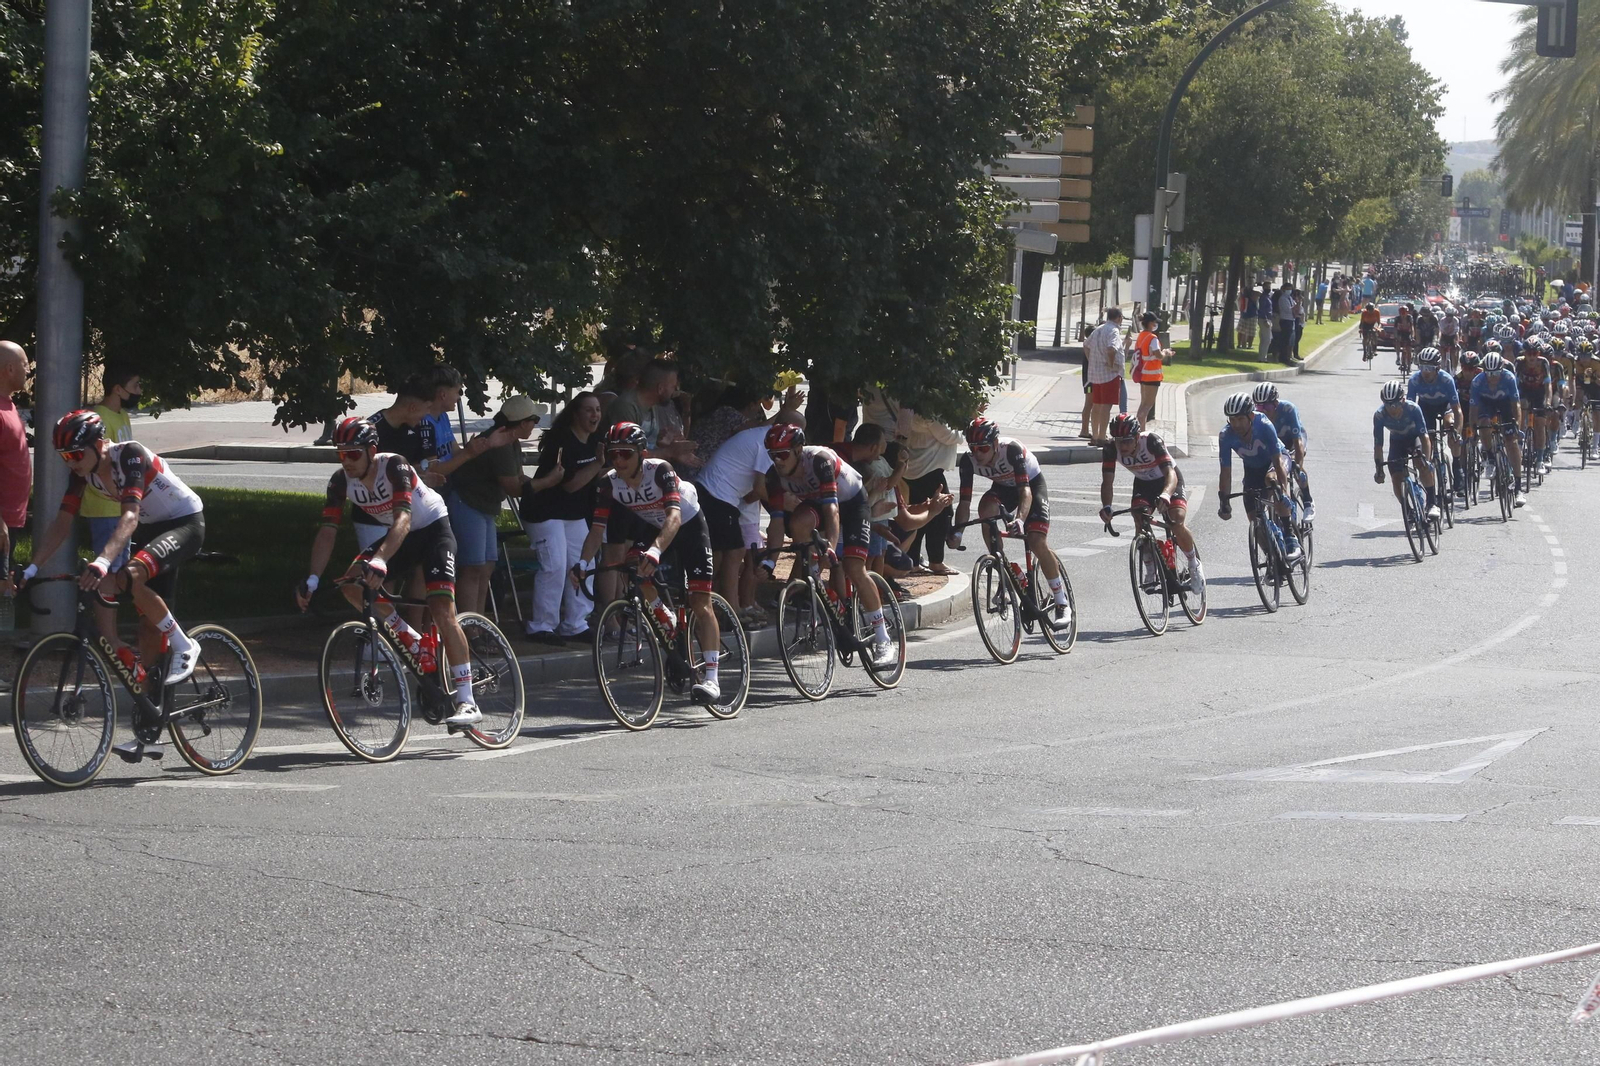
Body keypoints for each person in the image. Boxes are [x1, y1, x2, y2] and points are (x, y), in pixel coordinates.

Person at [22, 411, 207, 759]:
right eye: (64, 457)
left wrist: (104, 559)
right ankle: (150, 722)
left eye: (76, 454)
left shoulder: (129, 455)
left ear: (97, 444)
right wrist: (32, 569)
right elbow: (62, 523)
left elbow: (130, 516)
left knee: (130, 575)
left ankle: (185, 646)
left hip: (184, 522)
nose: (71, 463)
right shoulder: (84, 474)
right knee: (141, 625)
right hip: (154, 530)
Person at [294, 417, 483, 726]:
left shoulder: (394, 466)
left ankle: (467, 700)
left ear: (371, 450)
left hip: (433, 529)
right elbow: (328, 530)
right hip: (403, 536)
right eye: (341, 454)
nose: (347, 461)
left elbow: (404, 520)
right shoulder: (340, 481)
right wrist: (312, 579)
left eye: (353, 454)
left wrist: (381, 560)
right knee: (350, 584)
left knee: (441, 609)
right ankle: (410, 636)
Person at [574, 423, 723, 702]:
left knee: (699, 601)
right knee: (634, 568)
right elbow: (597, 530)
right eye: (613, 454)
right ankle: (664, 615)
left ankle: (712, 679)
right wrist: (581, 563)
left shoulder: (660, 470)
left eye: (625, 454)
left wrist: (655, 551)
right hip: (654, 525)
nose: (618, 460)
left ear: (641, 453)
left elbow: (674, 517)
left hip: (687, 523)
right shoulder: (609, 482)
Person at [761, 422, 899, 667]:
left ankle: (883, 639)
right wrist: (770, 560)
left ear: (797, 450)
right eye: (772, 456)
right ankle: (815, 582)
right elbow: (777, 521)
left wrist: (832, 547)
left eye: (782, 454)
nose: (778, 461)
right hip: (818, 504)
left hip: (851, 503)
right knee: (799, 522)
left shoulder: (819, 460)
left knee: (855, 569)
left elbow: (832, 510)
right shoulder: (774, 477)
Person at [445, 395, 560, 616]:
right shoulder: (501, 445)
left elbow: (519, 479)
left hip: (485, 507)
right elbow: (514, 489)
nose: (536, 425)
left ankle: (479, 624)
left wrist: (546, 485)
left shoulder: (511, 442)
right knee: (472, 569)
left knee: (486, 568)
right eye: (535, 420)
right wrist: (548, 482)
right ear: (524, 422)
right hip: (468, 503)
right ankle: (468, 629)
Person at [950, 418, 1071, 620]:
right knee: (985, 511)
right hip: (1003, 489)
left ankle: (1061, 601)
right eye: (973, 448)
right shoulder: (968, 461)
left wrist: (1020, 521)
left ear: (995, 445)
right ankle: (1005, 576)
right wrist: (958, 531)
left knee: (1036, 541)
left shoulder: (1011, 450)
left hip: (1031, 485)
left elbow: (1025, 491)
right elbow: (964, 502)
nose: (978, 453)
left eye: (983, 448)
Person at [521, 392, 605, 644]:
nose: (595, 415)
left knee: (584, 563)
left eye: (598, 410)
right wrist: (598, 464)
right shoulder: (561, 442)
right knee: (556, 565)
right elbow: (570, 485)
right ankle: (541, 626)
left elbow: (598, 476)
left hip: (574, 514)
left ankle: (576, 624)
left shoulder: (595, 441)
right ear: (575, 414)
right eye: (589, 410)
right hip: (545, 513)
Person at [1098, 412, 1201, 588]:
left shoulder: (1152, 441)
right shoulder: (1110, 448)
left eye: (1127, 441)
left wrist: (1166, 495)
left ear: (1137, 437)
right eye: (1118, 440)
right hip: (1144, 484)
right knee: (1139, 518)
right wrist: (1106, 506)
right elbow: (1107, 482)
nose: (1122, 446)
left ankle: (1193, 563)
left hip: (1168, 481)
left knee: (1176, 520)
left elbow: (1170, 473)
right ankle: (1151, 568)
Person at [696, 417, 783, 624]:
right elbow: (760, 487)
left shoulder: (763, 436)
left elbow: (754, 491)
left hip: (719, 494)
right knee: (734, 552)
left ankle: (720, 606)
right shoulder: (767, 442)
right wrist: (782, 503)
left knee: (722, 553)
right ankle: (731, 609)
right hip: (717, 494)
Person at [1216, 392, 1302, 560]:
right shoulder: (1225, 435)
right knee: (1253, 519)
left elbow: (1277, 462)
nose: (1236, 424)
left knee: (1271, 480)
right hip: (1252, 468)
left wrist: (1283, 491)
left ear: (1251, 415)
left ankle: (1290, 536)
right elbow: (1225, 471)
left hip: (1276, 460)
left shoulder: (1263, 424)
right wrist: (1224, 502)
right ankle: (1272, 557)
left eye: (1240, 419)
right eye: (1232, 420)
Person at [606, 357, 696, 465]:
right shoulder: (627, 407)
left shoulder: (653, 405)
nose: (675, 390)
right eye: (673, 386)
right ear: (660, 389)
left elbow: (647, 448)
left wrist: (664, 444)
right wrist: (668, 452)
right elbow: (627, 456)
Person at [1373, 379, 1439, 520]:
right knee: (1396, 476)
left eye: (1395, 404)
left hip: (1415, 438)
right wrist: (1379, 469)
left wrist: (1426, 461)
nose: (1392, 408)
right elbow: (1378, 445)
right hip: (1397, 441)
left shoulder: (1413, 408)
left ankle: (1432, 503)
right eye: (1388, 404)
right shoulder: (1379, 415)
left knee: (1421, 464)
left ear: (1402, 400)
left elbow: (1425, 438)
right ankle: (1408, 511)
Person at [1251, 383, 1314, 521]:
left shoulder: (1288, 409)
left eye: (1267, 406)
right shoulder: (1257, 417)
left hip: (1292, 440)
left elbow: (1298, 443)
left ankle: (1308, 500)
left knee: (1296, 465)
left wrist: (1297, 465)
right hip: (1275, 445)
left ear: (1275, 402)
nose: (1264, 411)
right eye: (1259, 407)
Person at [1406, 348, 1463, 489]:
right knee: (1426, 440)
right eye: (1422, 367)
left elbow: (1458, 411)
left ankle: (1457, 465)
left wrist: (1457, 432)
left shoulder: (1446, 379)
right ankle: (1429, 470)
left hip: (1445, 406)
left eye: (1429, 368)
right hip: (1426, 408)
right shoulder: (1415, 380)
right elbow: (1409, 410)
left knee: (1450, 425)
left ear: (1437, 368)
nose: (1425, 372)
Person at [0, 341, 31, 597]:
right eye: (24, 364)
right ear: (9, 369)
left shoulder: (9, 405)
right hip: (2, 521)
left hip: (11, 520)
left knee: (4, 592)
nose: (28, 370)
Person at [1084, 307, 1124, 444]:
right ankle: (1102, 436)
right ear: (1119, 318)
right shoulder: (1113, 330)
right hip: (1109, 374)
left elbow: (1086, 344)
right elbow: (1111, 348)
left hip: (1096, 373)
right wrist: (1111, 364)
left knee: (1096, 404)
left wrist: (1091, 361)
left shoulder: (1099, 329)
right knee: (1106, 406)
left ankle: (1095, 436)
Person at [1514, 339, 1552, 475]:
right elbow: (1515, 383)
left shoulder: (1543, 363)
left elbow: (1548, 385)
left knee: (1540, 424)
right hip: (1524, 391)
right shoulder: (1519, 361)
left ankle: (1540, 460)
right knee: (1521, 409)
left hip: (1539, 393)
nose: (1531, 357)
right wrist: (1514, 401)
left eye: (1534, 353)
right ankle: (1519, 445)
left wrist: (1548, 402)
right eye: (1528, 353)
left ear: (1538, 353)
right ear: (1525, 353)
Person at [1130, 311, 1164, 429]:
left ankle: (1140, 429)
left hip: (1143, 374)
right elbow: (1158, 354)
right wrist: (1166, 353)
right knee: (1147, 405)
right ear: (1150, 323)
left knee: (1143, 403)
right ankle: (1140, 431)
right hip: (1152, 376)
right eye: (1154, 322)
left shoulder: (1141, 336)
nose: (1155, 325)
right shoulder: (1152, 338)